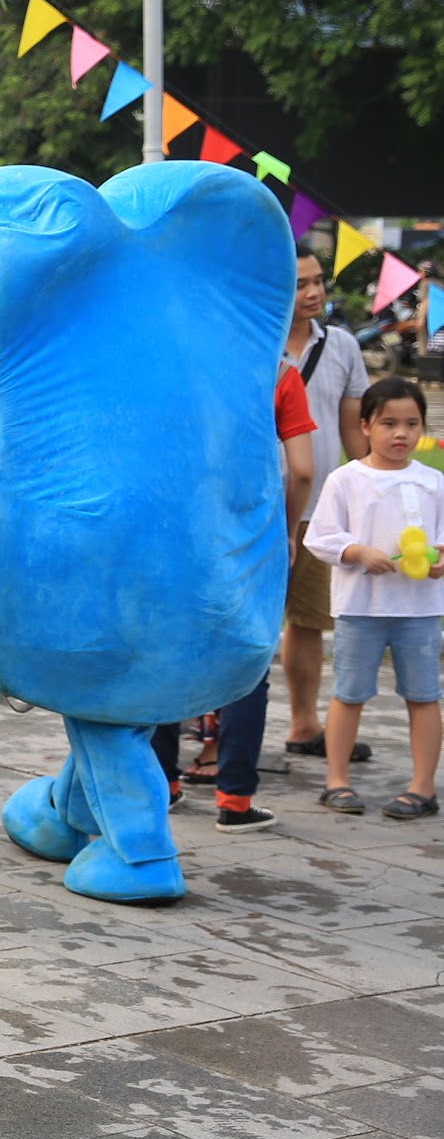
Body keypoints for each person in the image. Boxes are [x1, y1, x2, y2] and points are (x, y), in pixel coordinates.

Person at [153, 360, 315, 830]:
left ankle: (163, 784)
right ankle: (235, 799)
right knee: (247, 664)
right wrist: (287, 528)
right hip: (250, 537)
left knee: (172, 655)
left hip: (177, 530)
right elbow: (302, 470)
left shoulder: (190, 363)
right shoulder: (279, 374)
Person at [305, 377, 443, 821]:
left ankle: (422, 787)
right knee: (349, 693)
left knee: (424, 695)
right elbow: (321, 537)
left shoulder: (433, 482)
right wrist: (358, 551)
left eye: (411, 424)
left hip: (419, 610)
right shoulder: (346, 479)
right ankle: (336, 780)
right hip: (360, 607)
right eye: (388, 423)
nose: (400, 434)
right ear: (365, 426)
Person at [280, 248, 371, 765]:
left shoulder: (341, 346)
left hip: (318, 507)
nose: (313, 293)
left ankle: (303, 723)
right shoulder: (254, 343)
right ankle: (214, 736)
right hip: (254, 507)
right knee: (239, 619)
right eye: (300, 285)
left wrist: (364, 495)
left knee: (308, 620)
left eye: (318, 282)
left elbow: (352, 429)